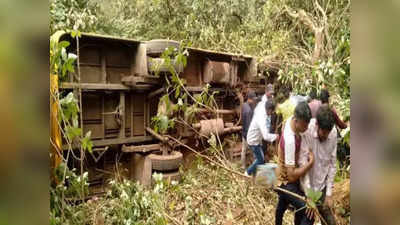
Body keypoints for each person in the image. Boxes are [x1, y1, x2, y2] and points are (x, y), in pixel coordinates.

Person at [275, 102, 314, 225]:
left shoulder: (290, 120)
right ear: (296, 121)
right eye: (305, 124)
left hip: (284, 174)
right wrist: (310, 163)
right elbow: (291, 175)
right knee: (307, 210)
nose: (307, 127)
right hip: (285, 181)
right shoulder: (290, 140)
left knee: (283, 203)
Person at [299, 105, 338, 225]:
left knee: (329, 222)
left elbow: (332, 164)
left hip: (322, 187)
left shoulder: (333, 133)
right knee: (306, 220)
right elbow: (303, 163)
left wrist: (328, 194)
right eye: (323, 132)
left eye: (328, 133)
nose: (326, 136)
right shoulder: (307, 131)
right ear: (317, 125)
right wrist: (309, 195)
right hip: (307, 187)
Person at [245, 100, 278, 176]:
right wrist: (275, 136)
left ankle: (257, 174)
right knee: (260, 160)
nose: (271, 114)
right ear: (269, 109)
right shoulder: (262, 118)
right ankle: (247, 172)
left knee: (260, 158)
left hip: (255, 139)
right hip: (253, 141)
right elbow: (265, 136)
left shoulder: (263, 110)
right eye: (272, 112)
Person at [241, 90, 258, 169]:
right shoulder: (248, 111)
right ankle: (254, 167)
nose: (254, 101)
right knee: (254, 151)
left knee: (243, 150)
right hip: (248, 134)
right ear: (250, 99)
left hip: (243, 131)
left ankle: (242, 166)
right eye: (253, 99)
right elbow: (248, 125)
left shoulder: (244, 105)